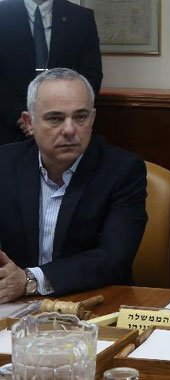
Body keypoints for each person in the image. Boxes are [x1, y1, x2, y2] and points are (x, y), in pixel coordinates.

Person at [0, 67, 147, 302]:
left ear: (93, 118)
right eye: (55, 118)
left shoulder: (122, 170)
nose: (69, 130)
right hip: (16, 306)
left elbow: (113, 258)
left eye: (80, 117)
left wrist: (30, 280)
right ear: (29, 123)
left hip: (94, 302)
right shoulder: (5, 164)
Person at [0, 0, 103, 145]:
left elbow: (91, 74)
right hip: (9, 128)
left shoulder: (81, 17)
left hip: (67, 131)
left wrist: (58, 117)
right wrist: (26, 117)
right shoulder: (2, 13)